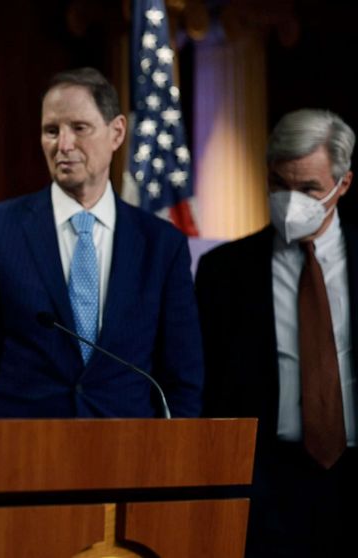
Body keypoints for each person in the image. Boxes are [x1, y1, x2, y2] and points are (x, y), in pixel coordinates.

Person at [0, 67, 203, 418]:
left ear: (117, 132)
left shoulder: (162, 245)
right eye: (51, 131)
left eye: (79, 128)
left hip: (129, 453)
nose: (64, 144)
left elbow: (182, 376)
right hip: (20, 453)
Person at [196, 109, 358, 557]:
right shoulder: (222, 272)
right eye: (278, 185)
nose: (291, 201)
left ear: (342, 185)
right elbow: (207, 390)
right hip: (266, 490)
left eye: (308, 189)